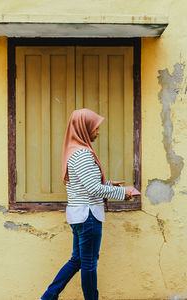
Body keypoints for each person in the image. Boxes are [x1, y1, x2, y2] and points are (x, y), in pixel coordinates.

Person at [41, 108, 132, 300]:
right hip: (88, 216)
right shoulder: (83, 154)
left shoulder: (73, 151)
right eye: (96, 127)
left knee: (77, 260)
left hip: (79, 214)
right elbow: (92, 189)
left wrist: (108, 184)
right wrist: (123, 193)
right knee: (89, 264)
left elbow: (84, 184)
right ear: (85, 127)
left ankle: (49, 296)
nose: (98, 132)